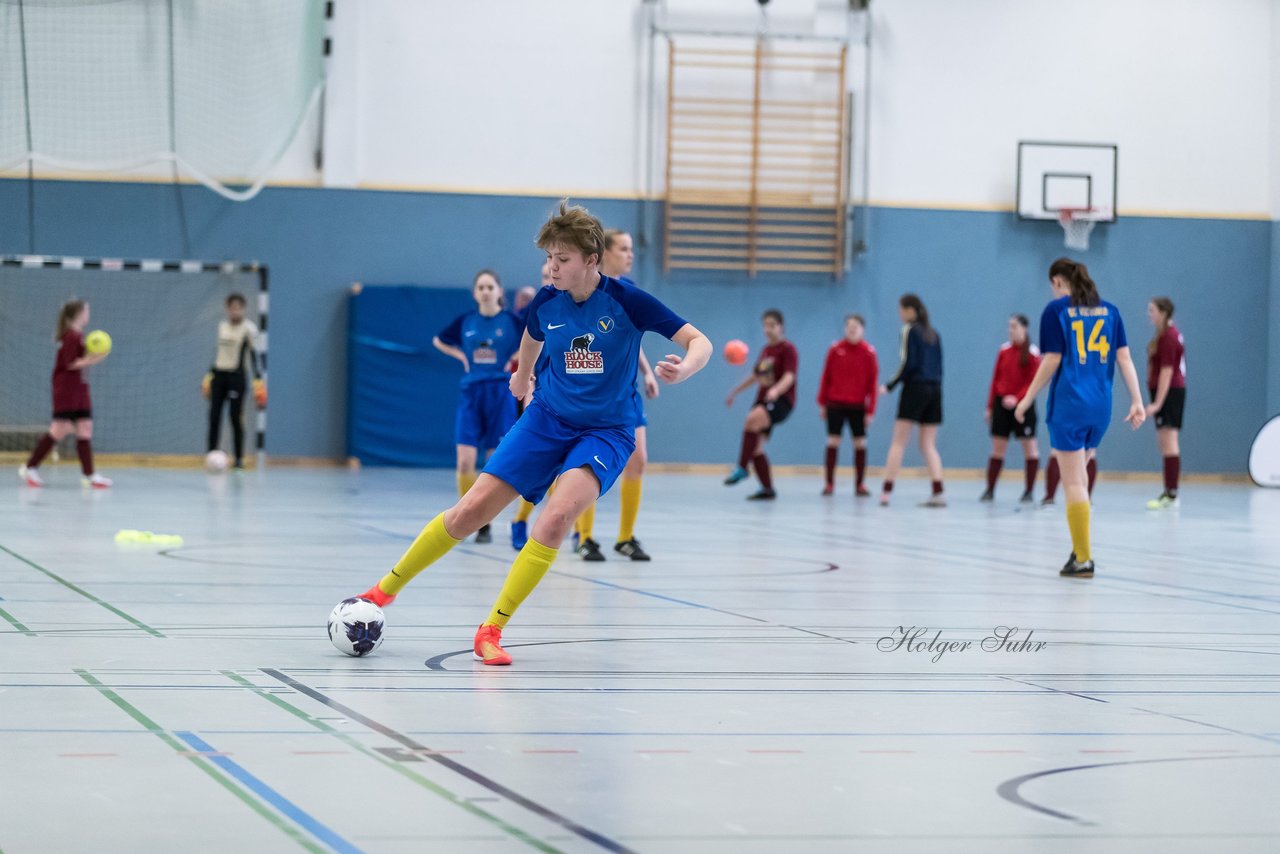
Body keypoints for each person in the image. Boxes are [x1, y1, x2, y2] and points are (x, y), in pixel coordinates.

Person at [353, 200, 711, 666]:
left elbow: (698, 341)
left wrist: (685, 369)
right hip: (545, 420)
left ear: (591, 260)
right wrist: (522, 376)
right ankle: (382, 592)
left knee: (556, 518)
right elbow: (532, 335)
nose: (551, 268)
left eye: (562, 260)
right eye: (548, 259)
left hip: (606, 432)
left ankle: (491, 629)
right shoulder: (546, 301)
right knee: (468, 513)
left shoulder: (627, 301)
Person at [1015, 258, 1145, 578]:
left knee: (1072, 481)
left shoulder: (1056, 311)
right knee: (1081, 477)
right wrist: (1138, 401)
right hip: (1101, 406)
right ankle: (1080, 548)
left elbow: (1051, 360)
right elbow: (1124, 358)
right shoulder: (1111, 311)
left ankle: (1084, 558)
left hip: (1070, 405)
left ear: (1059, 282)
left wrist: (1028, 397)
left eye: (1052, 285)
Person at [571, 228, 660, 561]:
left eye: (631, 249)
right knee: (588, 467)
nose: (630, 255)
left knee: (638, 460)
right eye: (624, 249)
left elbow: (630, 340)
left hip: (626, 393)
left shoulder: (630, 292)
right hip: (590, 395)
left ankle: (625, 537)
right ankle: (585, 537)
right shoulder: (581, 291)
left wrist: (648, 372)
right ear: (604, 253)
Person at [432, 270, 524, 544]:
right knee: (464, 462)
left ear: (499, 291)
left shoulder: (511, 321)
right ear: (475, 293)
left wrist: (515, 359)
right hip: (471, 392)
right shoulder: (466, 322)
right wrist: (461, 355)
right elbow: (439, 340)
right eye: (480, 287)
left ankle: (486, 517)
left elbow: (537, 341)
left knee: (495, 463)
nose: (485, 291)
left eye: (490, 286)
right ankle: (469, 516)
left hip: (500, 392)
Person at [19, 299, 112, 488]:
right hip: (66, 390)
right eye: (86, 310)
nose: (88, 314)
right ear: (79, 313)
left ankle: (90, 475)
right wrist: (96, 358)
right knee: (58, 430)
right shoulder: (70, 336)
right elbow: (72, 363)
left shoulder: (80, 336)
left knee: (85, 429)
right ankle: (30, 468)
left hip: (81, 390)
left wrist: (92, 355)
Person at [878, 295, 945, 507]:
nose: (899, 314)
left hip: (915, 388)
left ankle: (886, 492)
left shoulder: (909, 330)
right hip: (935, 389)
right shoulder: (933, 334)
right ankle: (938, 491)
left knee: (899, 441)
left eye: (900, 310)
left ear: (909, 310)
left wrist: (889, 385)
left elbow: (907, 363)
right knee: (928, 444)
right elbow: (939, 367)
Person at [725, 309, 798, 500]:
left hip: (780, 401)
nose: (768, 329)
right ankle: (767, 489)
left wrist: (777, 390)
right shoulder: (766, 351)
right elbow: (756, 376)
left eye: (772, 325)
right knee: (756, 448)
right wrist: (735, 391)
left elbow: (790, 376)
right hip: (764, 400)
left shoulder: (787, 349)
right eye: (765, 325)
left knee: (751, 420)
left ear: (781, 326)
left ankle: (742, 467)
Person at [817, 314, 878, 497]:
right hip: (835, 403)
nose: (852, 329)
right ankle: (829, 484)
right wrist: (822, 403)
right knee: (833, 441)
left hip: (858, 406)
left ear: (862, 329)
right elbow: (825, 377)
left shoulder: (868, 352)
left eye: (856, 326)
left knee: (860, 443)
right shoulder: (835, 349)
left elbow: (872, 384)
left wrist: (871, 410)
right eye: (849, 326)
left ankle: (860, 484)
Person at [982, 314, 1041, 503]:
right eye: (1009, 326)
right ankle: (990, 490)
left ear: (1024, 328)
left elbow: (1034, 382)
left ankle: (1029, 491)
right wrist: (990, 406)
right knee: (998, 448)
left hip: (1024, 406)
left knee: (1030, 448)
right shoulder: (1003, 351)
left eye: (1014, 326)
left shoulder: (1033, 353)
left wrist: (1018, 399)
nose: (1010, 330)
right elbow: (995, 379)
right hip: (1002, 405)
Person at [201, 293, 263, 470]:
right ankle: (211, 455)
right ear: (227, 309)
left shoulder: (249, 329)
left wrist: (258, 381)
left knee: (235, 417)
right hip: (219, 375)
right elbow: (218, 354)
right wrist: (209, 376)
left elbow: (254, 355)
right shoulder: (222, 327)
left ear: (243, 309)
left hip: (237, 377)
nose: (235, 311)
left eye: (238, 308)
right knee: (214, 416)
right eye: (231, 308)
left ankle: (239, 458)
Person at [1144, 297, 1186, 509]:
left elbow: (1167, 371)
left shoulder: (1169, 337)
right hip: (1167, 393)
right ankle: (1170, 491)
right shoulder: (1163, 335)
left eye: (1152, 310)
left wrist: (1158, 403)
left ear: (1163, 312)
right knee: (1165, 443)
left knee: (1169, 442)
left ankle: (1171, 494)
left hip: (1170, 393)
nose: (1148, 314)